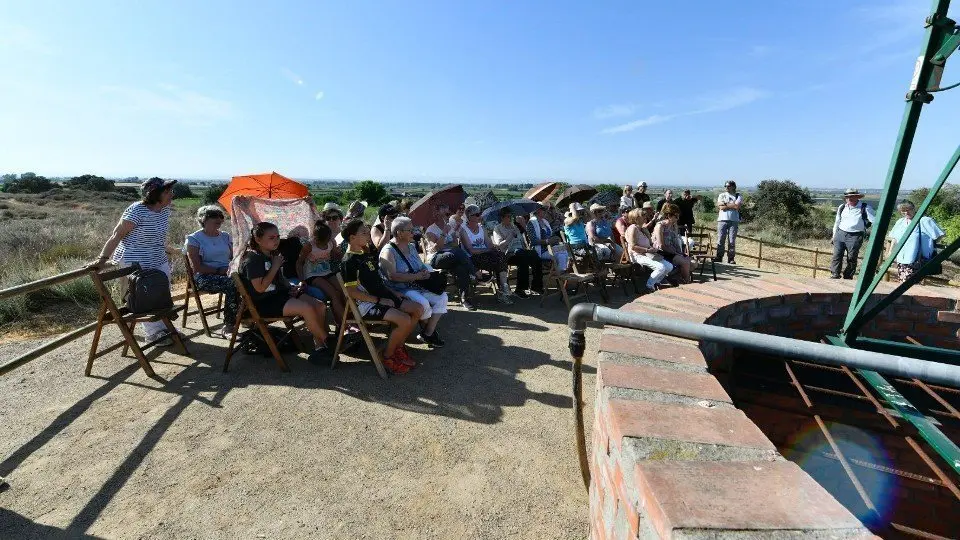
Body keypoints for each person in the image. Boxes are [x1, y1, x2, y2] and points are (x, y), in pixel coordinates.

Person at [91, 177, 180, 345]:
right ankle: (153, 333)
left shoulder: (165, 211)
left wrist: (172, 250)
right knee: (145, 298)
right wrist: (102, 259)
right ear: (155, 194)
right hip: (135, 262)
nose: (172, 194)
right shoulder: (137, 209)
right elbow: (117, 235)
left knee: (162, 294)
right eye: (167, 191)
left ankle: (165, 328)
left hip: (158, 259)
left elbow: (158, 238)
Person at [239, 222, 332, 363]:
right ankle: (328, 341)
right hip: (264, 303)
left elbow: (280, 280)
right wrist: (275, 266)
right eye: (271, 238)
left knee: (319, 305)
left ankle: (320, 347)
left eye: (277, 236)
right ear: (258, 240)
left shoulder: (272, 254)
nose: (276, 240)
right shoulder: (253, 259)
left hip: (280, 295)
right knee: (307, 308)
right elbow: (260, 288)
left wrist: (291, 287)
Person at [340, 219, 422, 374]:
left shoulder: (364, 253)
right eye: (364, 233)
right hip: (368, 305)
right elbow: (351, 292)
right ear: (352, 238)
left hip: (383, 297)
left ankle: (397, 347)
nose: (368, 235)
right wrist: (379, 300)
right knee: (404, 319)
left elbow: (376, 282)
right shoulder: (349, 261)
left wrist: (393, 294)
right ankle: (388, 356)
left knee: (418, 309)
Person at [381, 217, 447, 348]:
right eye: (410, 230)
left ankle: (428, 333)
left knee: (442, 297)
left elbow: (420, 265)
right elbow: (392, 276)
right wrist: (416, 276)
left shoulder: (411, 247)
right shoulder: (388, 251)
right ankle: (427, 331)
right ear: (399, 233)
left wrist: (425, 272)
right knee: (423, 303)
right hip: (400, 289)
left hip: (416, 285)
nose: (414, 232)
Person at [184, 205, 239, 339]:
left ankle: (244, 315)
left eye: (220, 217)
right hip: (203, 277)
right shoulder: (194, 239)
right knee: (233, 284)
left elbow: (233, 257)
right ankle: (228, 326)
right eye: (214, 217)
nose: (219, 220)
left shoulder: (225, 236)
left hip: (226, 273)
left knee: (249, 279)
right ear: (204, 219)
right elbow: (197, 267)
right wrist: (220, 270)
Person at [425, 203, 479, 311]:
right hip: (436, 259)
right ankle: (476, 273)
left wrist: (446, 241)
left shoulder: (449, 226)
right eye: (443, 209)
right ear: (436, 213)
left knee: (461, 267)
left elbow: (454, 243)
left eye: (447, 209)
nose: (447, 212)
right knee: (457, 252)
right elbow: (437, 248)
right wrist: (444, 233)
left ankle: (464, 299)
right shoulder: (430, 230)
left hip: (452, 257)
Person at [459, 204, 513, 304]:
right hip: (472, 259)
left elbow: (489, 244)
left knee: (500, 256)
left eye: (480, 214)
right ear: (469, 217)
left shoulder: (481, 227)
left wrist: (492, 247)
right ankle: (503, 290)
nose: (480, 216)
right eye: (477, 214)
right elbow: (471, 250)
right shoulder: (463, 230)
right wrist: (487, 249)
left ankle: (504, 286)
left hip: (484, 255)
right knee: (499, 261)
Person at [298, 221, 345, 323]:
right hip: (312, 275)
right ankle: (346, 323)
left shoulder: (330, 243)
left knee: (343, 291)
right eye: (321, 242)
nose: (324, 244)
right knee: (334, 294)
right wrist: (302, 280)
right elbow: (299, 263)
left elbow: (334, 256)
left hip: (327, 272)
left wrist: (338, 252)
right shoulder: (309, 246)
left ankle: (341, 322)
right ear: (315, 238)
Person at [887, 200, 945, 282]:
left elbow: (940, 235)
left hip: (917, 259)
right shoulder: (900, 222)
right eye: (903, 211)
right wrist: (890, 252)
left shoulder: (924, 220)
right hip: (901, 258)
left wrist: (930, 244)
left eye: (908, 210)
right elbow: (894, 238)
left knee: (909, 284)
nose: (906, 213)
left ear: (914, 208)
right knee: (903, 283)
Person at [493, 207, 544, 298]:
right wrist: (510, 236)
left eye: (511, 216)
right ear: (502, 218)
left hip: (520, 252)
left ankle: (536, 286)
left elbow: (521, 241)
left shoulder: (514, 226)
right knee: (522, 256)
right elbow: (500, 246)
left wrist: (526, 248)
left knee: (534, 255)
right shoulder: (498, 229)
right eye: (508, 217)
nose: (510, 219)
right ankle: (520, 289)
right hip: (508, 254)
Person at [830, 188, 876, 279]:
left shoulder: (865, 207)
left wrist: (875, 236)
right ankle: (835, 274)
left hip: (855, 235)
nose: (849, 199)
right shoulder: (842, 207)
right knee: (836, 255)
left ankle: (848, 276)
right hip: (840, 233)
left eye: (852, 196)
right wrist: (834, 235)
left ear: (857, 197)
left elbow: (875, 221)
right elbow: (837, 222)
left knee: (851, 257)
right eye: (847, 197)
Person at [624, 209, 674, 291]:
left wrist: (653, 248)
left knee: (669, 266)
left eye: (645, 214)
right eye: (643, 215)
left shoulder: (642, 228)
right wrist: (647, 250)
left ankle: (656, 281)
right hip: (637, 255)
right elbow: (633, 247)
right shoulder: (632, 228)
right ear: (636, 218)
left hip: (647, 254)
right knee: (660, 267)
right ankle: (649, 286)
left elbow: (650, 244)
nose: (645, 216)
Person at [653, 203, 692, 283]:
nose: (677, 219)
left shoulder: (674, 226)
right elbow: (661, 245)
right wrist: (675, 253)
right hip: (663, 253)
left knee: (694, 263)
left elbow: (676, 240)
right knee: (685, 263)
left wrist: (680, 253)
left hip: (673, 251)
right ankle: (687, 282)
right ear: (669, 215)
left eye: (678, 216)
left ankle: (676, 278)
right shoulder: (660, 226)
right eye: (676, 216)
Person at [527, 205, 568, 271]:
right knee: (561, 255)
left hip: (550, 247)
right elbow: (533, 241)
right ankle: (561, 273)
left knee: (564, 250)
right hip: (539, 251)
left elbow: (549, 236)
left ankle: (560, 271)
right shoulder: (531, 223)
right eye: (543, 209)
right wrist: (547, 241)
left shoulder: (544, 221)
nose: (546, 211)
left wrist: (555, 238)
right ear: (538, 211)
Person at [714, 180, 742, 264]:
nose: (726, 187)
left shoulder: (738, 195)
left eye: (728, 186)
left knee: (732, 240)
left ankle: (731, 258)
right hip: (722, 220)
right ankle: (719, 257)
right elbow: (721, 207)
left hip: (734, 220)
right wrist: (731, 205)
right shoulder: (721, 195)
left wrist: (726, 204)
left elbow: (737, 206)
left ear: (733, 186)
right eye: (725, 186)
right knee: (720, 239)